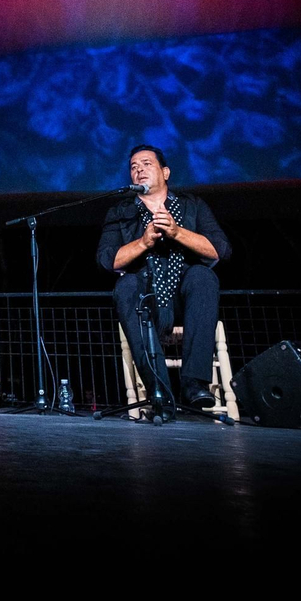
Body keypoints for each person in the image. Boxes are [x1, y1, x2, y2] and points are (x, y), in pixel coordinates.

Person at [96, 144, 231, 409]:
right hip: (147, 299)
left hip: (185, 299)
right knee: (125, 285)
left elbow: (221, 250)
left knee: (203, 277)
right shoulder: (120, 212)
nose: (139, 170)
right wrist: (143, 242)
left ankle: (194, 384)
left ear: (165, 172)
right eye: (133, 167)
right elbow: (105, 260)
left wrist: (177, 232)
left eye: (146, 164)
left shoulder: (192, 205)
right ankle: (159, 391)